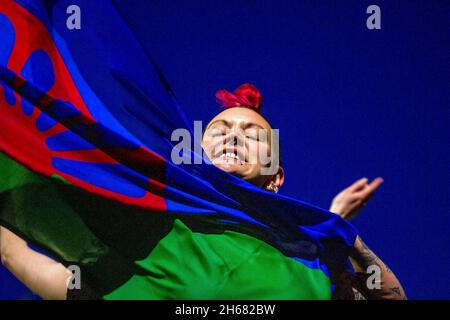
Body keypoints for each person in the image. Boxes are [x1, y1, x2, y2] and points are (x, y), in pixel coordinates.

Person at [0, 83, 406, 300]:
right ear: (194, 153)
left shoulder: (311, 263)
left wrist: (334, 231)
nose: (233, 137)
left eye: (253, 135)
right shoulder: (142, 229)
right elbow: (16, 253)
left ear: (275, 175)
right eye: (219, 131)